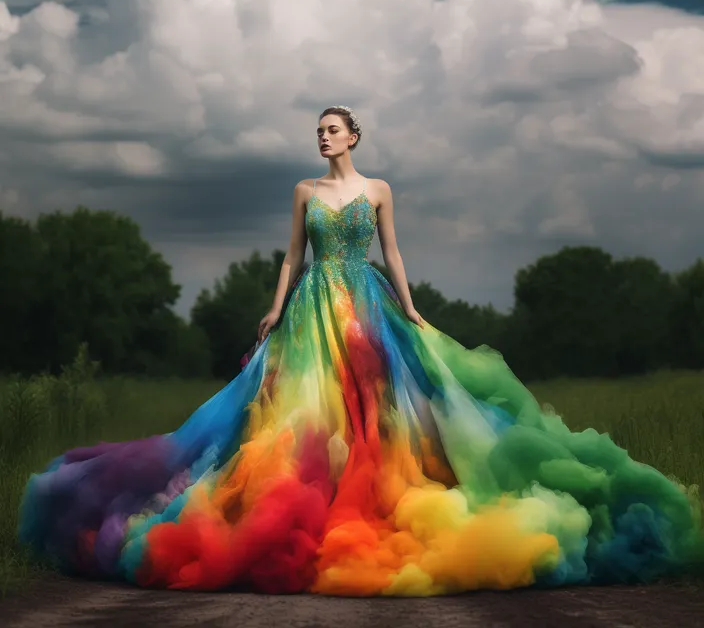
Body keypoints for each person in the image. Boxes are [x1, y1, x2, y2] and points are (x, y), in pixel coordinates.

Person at [18, 106, 703, 595]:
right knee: (299, 416)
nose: (322, 138)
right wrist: (275, 306)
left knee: (388, 414)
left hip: (367, 305)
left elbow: (394, 251)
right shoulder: (304, 191)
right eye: (316, 131)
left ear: (355, 136)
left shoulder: (377, 190)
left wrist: (409, 307)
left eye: (331, 130)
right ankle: (300, 516)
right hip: (314, 304)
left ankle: (380, 509)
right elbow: (290, 256)